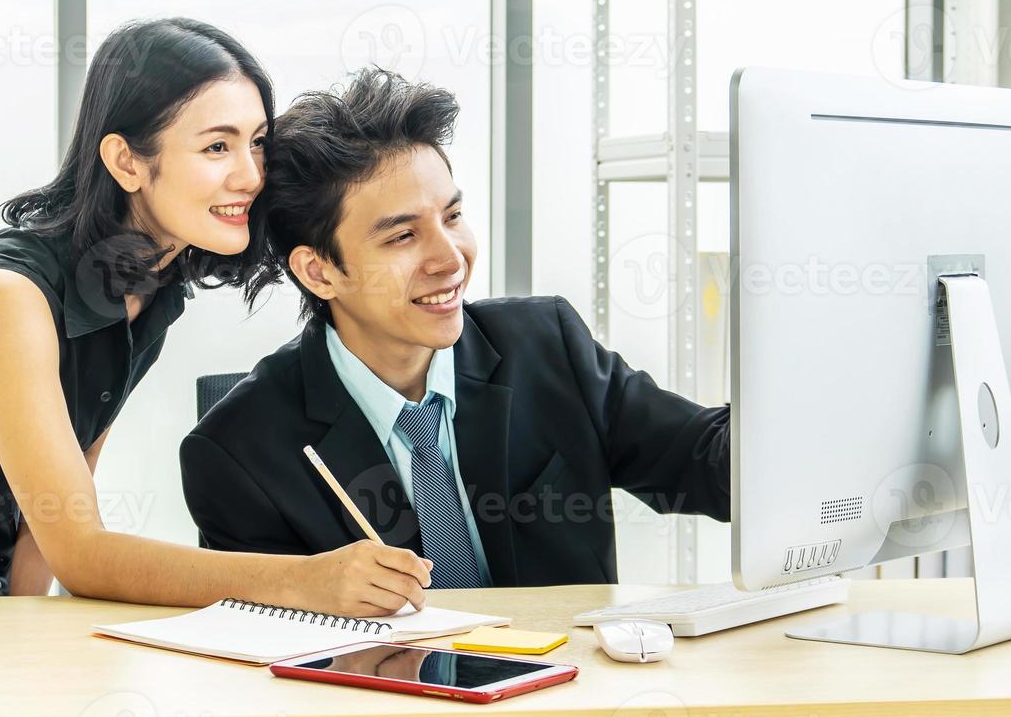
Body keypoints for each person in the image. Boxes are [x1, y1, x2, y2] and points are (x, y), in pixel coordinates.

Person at [0, 20, 430, 615]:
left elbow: (47, 521)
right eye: (216, 148)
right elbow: (81, 552)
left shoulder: (154, 290)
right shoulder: (11, 298)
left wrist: (19, 636)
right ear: (126, 161)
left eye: (257, 143)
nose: (251, 175)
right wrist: (303, 582)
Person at [180, 69, 730, 587]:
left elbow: (706, 461)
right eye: (402, 237)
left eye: (452, 217)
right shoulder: (237, 451)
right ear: (319, 271)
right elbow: (269, 658)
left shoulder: (547, 345)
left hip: (570, 684)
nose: (451, 259)